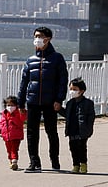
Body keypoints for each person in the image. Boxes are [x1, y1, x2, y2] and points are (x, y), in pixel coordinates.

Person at [18, 26, 69, 173]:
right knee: (32, 132)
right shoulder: (30, 60)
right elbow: (24, 83)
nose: (37, 39)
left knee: (51, 132)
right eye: (35, 36)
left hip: (50, 102)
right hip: (33, 101)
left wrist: (59, 99)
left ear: (48, 38)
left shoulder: (57, 58)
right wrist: (21, 102)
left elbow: (62, 81)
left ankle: (55, 161)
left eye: (40, 36)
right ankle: (34, 162)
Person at [58, 77, 95, 174]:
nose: (72, 91)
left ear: (82, 91)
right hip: (72, 129)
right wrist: (59, 109)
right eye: (71, 89)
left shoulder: (88, 103)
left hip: (82, 130)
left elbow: (91, 118)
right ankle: (75, 165)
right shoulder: (70, 103)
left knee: (81, 148)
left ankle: (83, 164)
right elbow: (67, 114)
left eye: (75, 89)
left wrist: (88, 130)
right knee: (73, 148)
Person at [0, 96, 27, 171]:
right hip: (6, 135)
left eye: (12, 105)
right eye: (8, 105)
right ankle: (11, 161)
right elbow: (1, 122)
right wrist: (0, 129)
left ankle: (14, 161)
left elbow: (23, 118)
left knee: (14, 149)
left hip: (16, 135)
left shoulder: (18, 112)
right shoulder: (4, 113)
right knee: (9, 149)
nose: (10, 107)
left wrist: (22, 112)